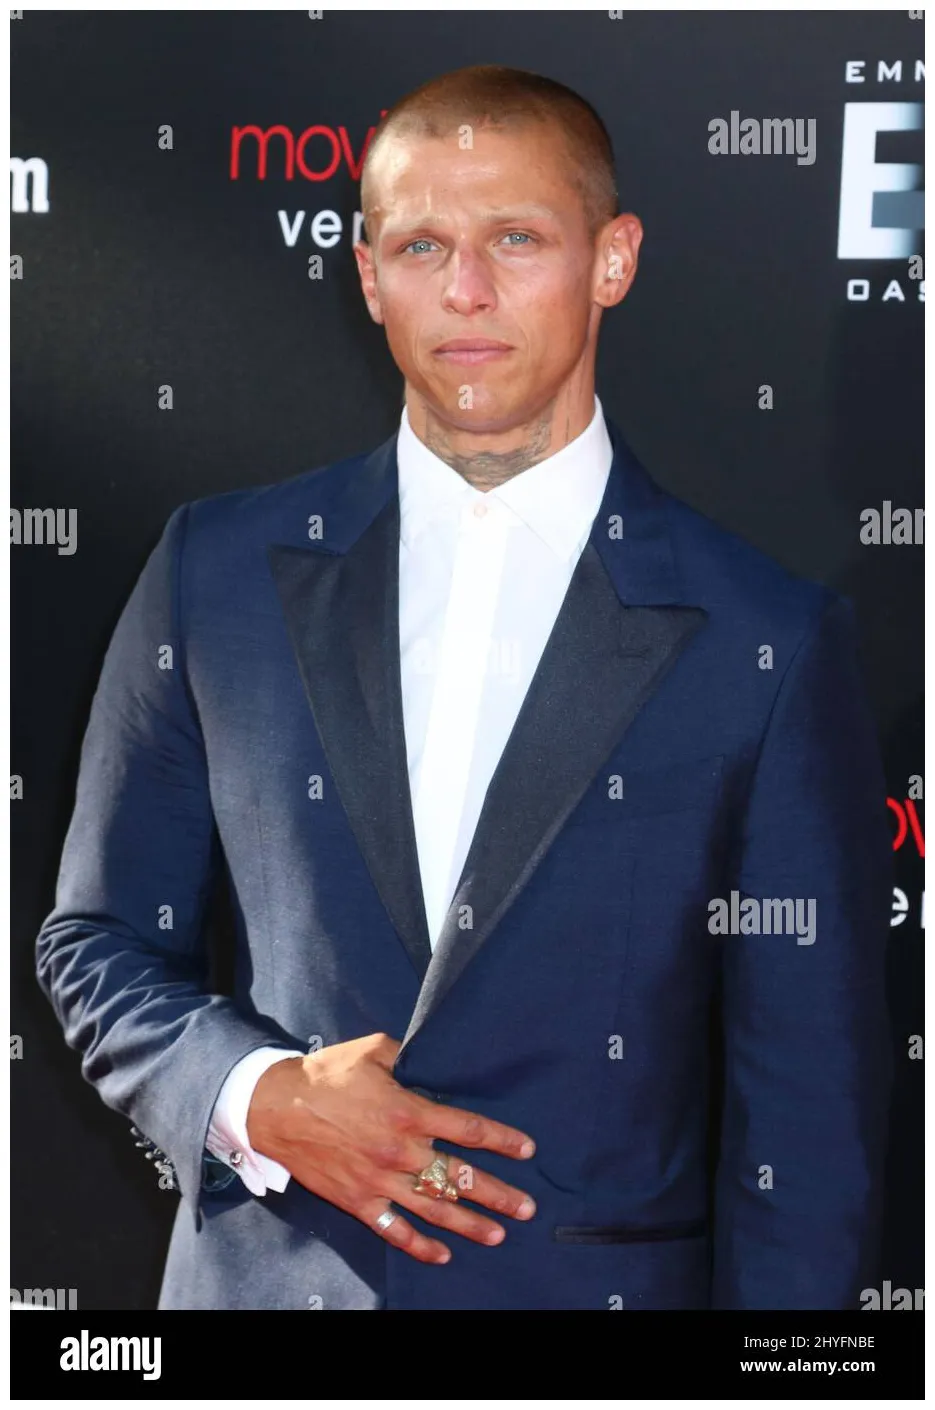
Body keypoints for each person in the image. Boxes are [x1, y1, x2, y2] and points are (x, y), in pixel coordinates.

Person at [36, 64, 893, 1311]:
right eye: (421, 245)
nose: (465, 291)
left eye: (515, 239)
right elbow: (98, 941)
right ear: (367, 274)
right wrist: (257, 1096)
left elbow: (806, 1123)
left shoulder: (763, 638)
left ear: (612, 259)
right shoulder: (211, 573)